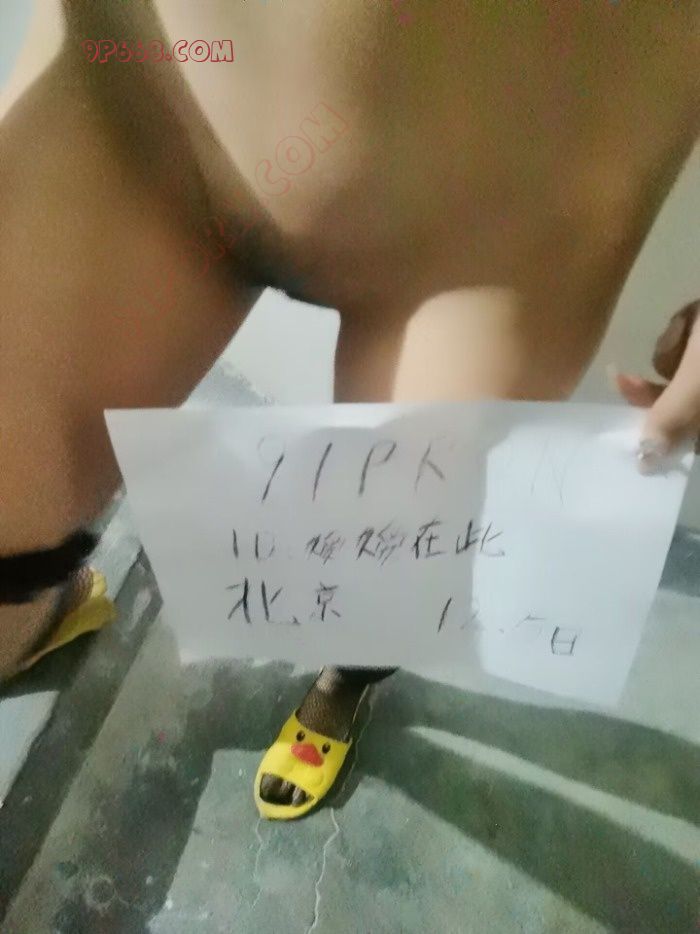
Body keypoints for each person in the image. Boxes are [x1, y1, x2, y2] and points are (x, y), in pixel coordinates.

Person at [0, 0, 698, 819]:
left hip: (506, 227)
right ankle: (39, 604)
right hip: (143, 90)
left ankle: (343, 682)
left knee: (386, 563)